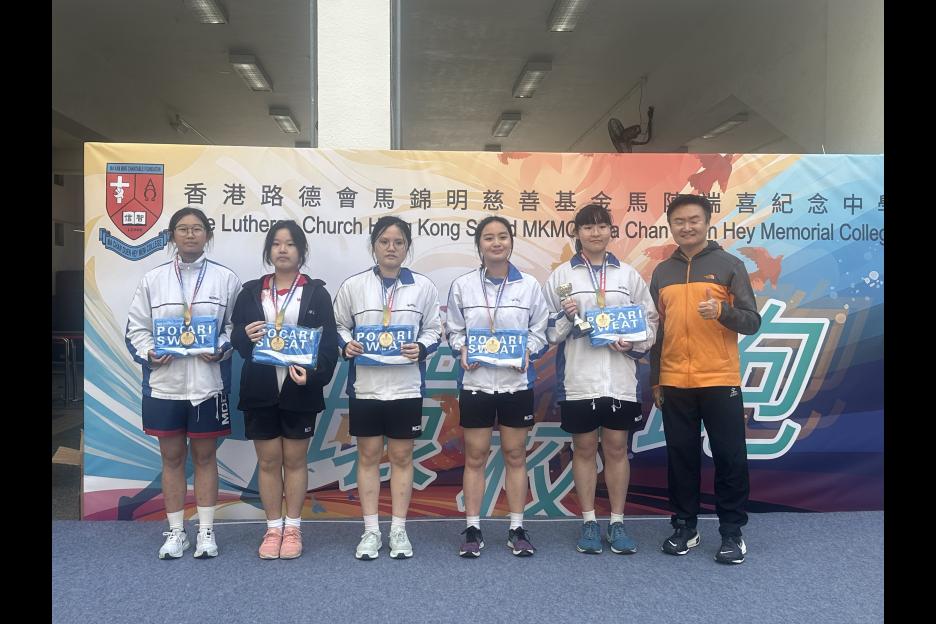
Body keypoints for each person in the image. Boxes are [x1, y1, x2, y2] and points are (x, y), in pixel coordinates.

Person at [649, 193, 761, 565]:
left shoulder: (730, 265)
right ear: (671, 226)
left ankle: (732, 532)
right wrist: (656, 379)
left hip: (719, 378)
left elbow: (752, 321)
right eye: (679, 221)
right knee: (681, 457)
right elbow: (658, 331)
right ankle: (685, 527)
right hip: (674, 381)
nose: (687, 227)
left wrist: (723, 311)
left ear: (708, 222)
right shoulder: (662, 272)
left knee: (729, 457)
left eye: (693, 220)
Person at [125, 207, 241, 559]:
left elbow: (236, 328)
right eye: (183, 229)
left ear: (208, 234)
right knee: (172, 458)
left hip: (208, 385)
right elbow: (136, 329)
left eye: (197, 228)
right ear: (172, 235)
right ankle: (176, 532)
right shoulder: (153, 280)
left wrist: (221, 348)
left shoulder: (225, 279)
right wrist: (149, 353)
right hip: (165, 386)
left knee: (205, 458)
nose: (190, 234)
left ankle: (206, 531)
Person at [543, 204, 658, 554]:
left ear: (611, 231)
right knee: (582, 449)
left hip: (620, 379)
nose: (595, 233)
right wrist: (566, 318)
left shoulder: (628, 275)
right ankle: (589, 521)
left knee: (617, 449)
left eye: (601, 226)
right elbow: (547, 331)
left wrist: (633, 342)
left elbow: (650, 321)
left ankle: (617, 521)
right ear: (576, 233)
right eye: (587, 227)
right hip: (579, 380)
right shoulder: (562, 277)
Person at [332, 216, 442, 560]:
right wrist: (346, 344)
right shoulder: (354, 285)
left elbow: (434, 329)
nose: (391, 248)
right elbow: (338, 325)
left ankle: (398, 529)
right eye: (384, 241)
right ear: (373, 246)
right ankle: (370, 531)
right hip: (365, 388)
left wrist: (421, 347)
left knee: (402, 457)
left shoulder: (423, 287)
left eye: (398, 242)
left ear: (407, 247)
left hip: (406, 388)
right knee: (367, 456)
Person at [231, 220, 339, 560]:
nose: (282, 249)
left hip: (299, 389)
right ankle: (272, 528)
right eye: (276, 243)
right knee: (267, 461)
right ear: (268, 251)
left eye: (290, 244)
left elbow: (329, 344)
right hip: (260, 388)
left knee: (294, 461)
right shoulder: (251, 292)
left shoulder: (316, 293)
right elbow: (236, 338)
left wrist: (314, 376)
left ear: (301, 251)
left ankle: (292, 528)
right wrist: (244, 336)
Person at [446, 215, 549, 558]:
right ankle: (472, 528)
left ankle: (517, 527)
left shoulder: (529, 286)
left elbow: (540, 331)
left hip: (515, 383)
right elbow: (454, 330)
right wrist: (461, 348)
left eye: (502, 236)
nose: (496, 243)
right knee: (475, 455)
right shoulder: (463, 285)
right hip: (476, 383)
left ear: (511, 242)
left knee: (515, 455)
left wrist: (528, 351)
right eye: (488, 237)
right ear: (479, 245)